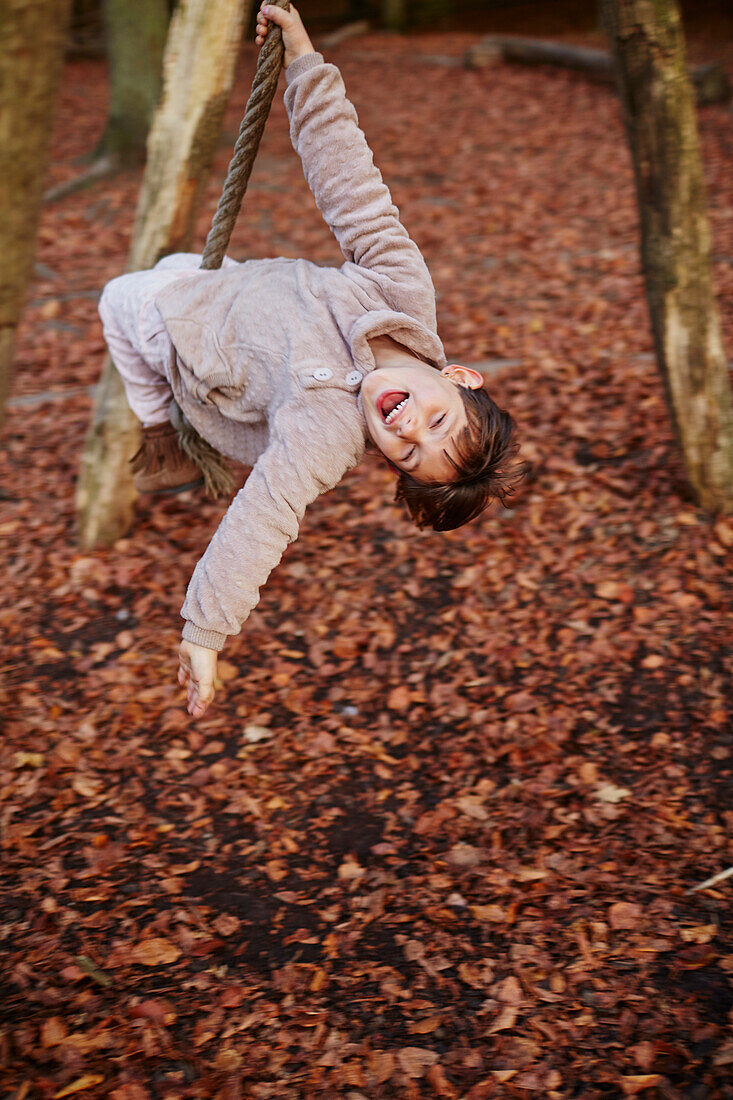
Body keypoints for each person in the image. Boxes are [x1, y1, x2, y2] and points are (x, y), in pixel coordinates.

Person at [98, 3, 524, 719]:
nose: (406, 427)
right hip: (234, 286)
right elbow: (349, 181)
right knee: (181, 268)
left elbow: (261, 521)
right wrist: (302, 57)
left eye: (409, 454)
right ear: (457, 376)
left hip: (192, 354)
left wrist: (205, 631)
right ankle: (181, 335)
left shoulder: (325, 438)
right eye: (436, 418)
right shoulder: (399, 290)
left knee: (118, 297)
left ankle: (157, 427)